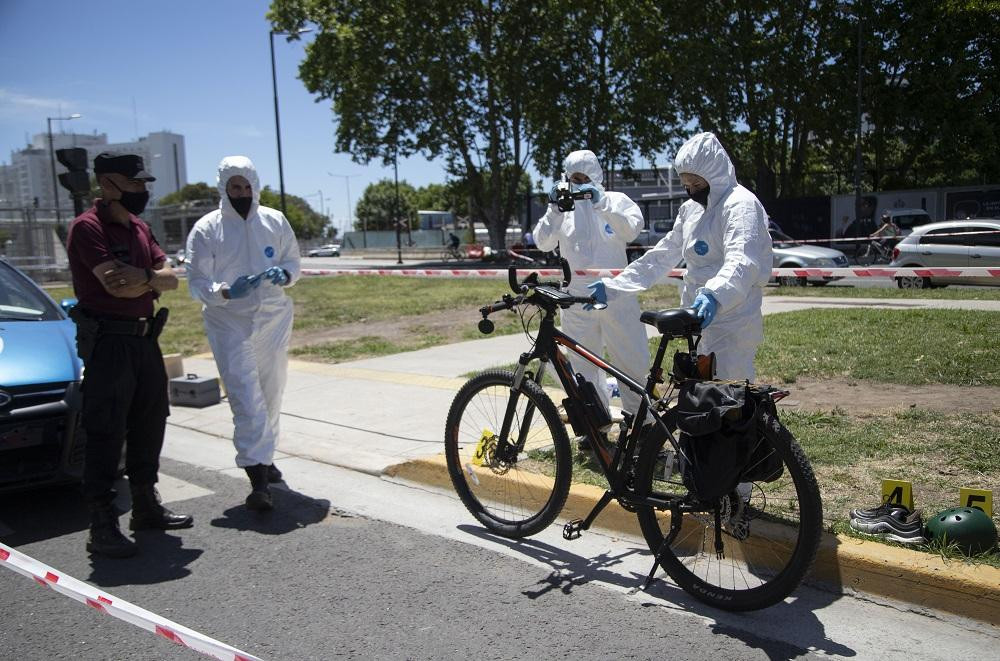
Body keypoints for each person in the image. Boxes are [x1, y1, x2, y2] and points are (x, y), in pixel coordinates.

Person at [66, 152, 193, 558]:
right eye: (134, 183)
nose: (143, 190)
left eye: (143, 183)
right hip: (109, 342)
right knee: (106, 432)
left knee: (149, 423)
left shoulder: (139, 227)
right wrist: (151, 280)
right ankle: (102, 524)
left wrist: (147, 280)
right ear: (107, 184)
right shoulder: (87, 229)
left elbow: (173, 279)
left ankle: (145, 506)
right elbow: (117, 287)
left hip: (144, 340)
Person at [588, 132, 772, 381]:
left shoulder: (740, 205)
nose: (691, 191)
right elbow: (661, 256)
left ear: (714, 176)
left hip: (733, 320)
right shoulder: (691, 210)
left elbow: (743, 260)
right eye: (686, 185)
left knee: (731, 391)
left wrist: (714, 294)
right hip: (698, 320)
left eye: (696, 184)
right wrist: (614, 286)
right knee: (703, 395)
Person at [186, 156, 300, 511]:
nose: (242, 193)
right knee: (246, 398)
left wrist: (285, 274)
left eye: (247, 186)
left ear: (256, 186)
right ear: (223, 187)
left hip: (272, 318)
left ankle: (265, 458)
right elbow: (196, 282)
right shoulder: (207, 229)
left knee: (271, 393)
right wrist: (224, 292)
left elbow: (292, 261)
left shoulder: (274, 220)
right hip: (228, 320)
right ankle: (257, 478)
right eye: (235, 187)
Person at [533, 149, 650, 435]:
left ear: (596, 176)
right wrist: (553, 211)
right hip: (576, 301)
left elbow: (633, 228)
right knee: (582, 366)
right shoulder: (563, 212)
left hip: (616, 297)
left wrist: (603, 203)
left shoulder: (616, 201)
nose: (580, 183)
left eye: (585, 177)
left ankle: (640, 428)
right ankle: (594, 427)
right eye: (575, 178)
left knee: (630, 361)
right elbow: (542, 243)